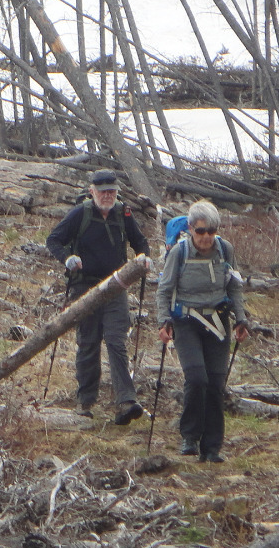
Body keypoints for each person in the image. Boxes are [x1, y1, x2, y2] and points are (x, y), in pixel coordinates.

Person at [45, 170, 152, 425]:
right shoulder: (80, 213)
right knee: (89, 342)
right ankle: (85, 402)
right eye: (103, 191)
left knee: (116, 340)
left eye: (111, 191)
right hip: (84, 286)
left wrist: (143, 258)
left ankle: (126, 402)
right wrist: (68, 259)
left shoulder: (123, 213)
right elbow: (54, 240)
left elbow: (140, 242)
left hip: (116, 285)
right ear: (92, 191)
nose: (107, 196)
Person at [155, 200, 248, 463]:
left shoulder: (225, 250)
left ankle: (212, 447)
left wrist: (241, 319)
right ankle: (190, 437)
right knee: (197, 378)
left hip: (218, 321)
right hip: (186, 322)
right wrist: (164, 321)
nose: (206, 237)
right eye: (201, 231)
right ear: (190, 229)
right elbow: (164, 290)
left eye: (212, 231)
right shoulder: (179, 253)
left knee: (216, 384)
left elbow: (234, 286)